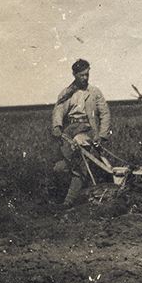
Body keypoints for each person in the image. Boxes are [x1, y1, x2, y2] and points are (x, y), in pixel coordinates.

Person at [52, 59, 111, 206]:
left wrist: (101, 135)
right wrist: (57, 126)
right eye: (81, 75)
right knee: (64, 165)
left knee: (80, 164)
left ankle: (69, 201)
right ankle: (65, 194)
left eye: (87, 74)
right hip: (69, 131)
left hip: (87, 130)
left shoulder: (94, 92)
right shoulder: (67, 93)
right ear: (74, 75)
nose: (85, 78)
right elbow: (58, 110)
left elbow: (105, 114)